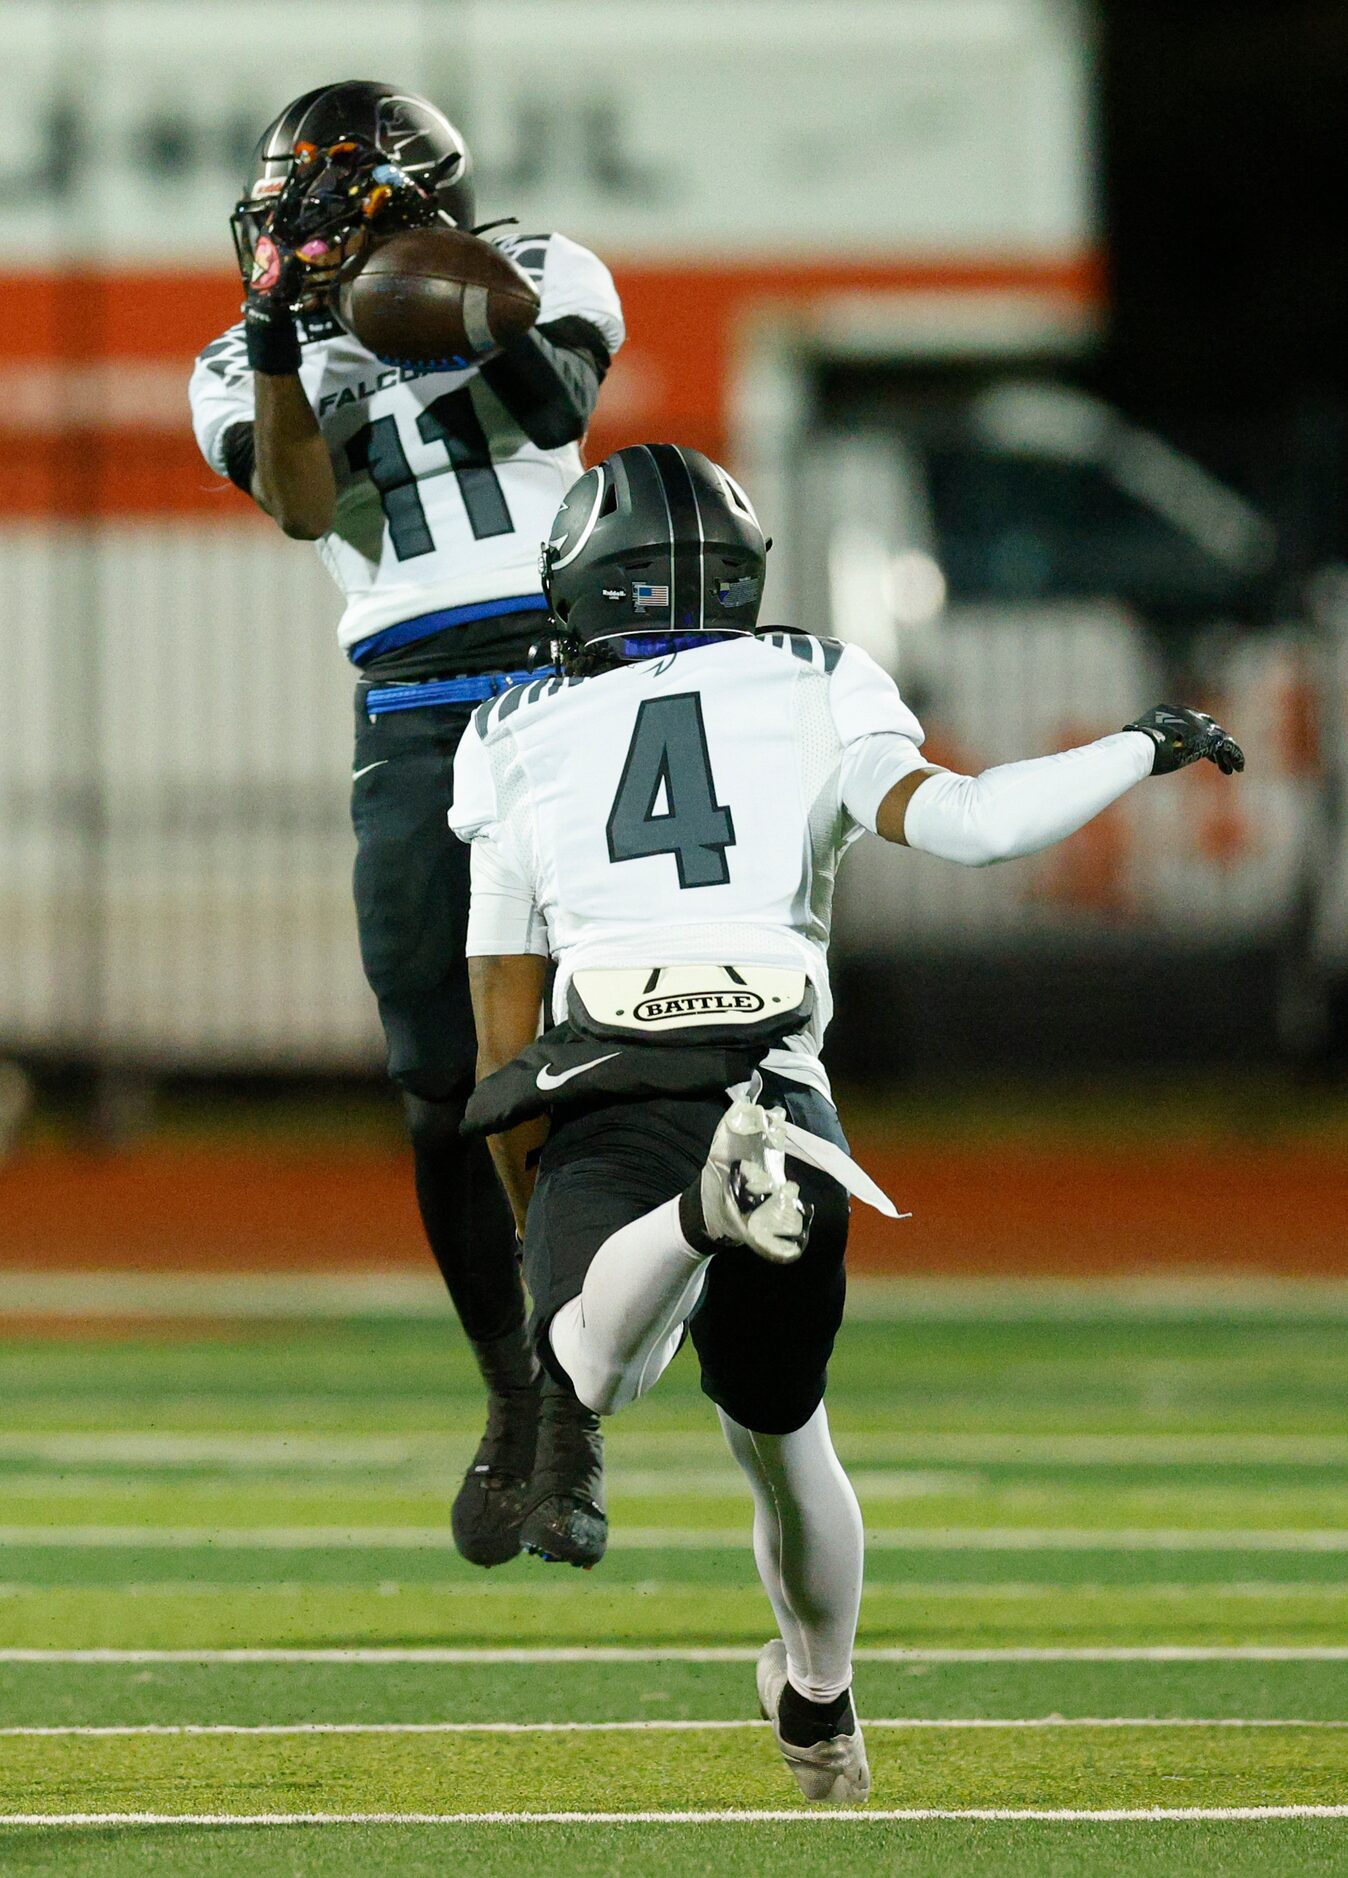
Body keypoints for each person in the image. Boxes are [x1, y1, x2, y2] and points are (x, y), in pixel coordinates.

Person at [449, 441, 1246, 1803]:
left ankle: (683, 1226)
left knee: (598, 1365)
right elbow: (981, 826)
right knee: (785, 1433)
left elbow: (498, 1019)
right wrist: (1141, 743)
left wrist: (535, 1214)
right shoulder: (815, 680)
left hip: (607, 1074)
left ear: (588, 583)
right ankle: (819, 1706)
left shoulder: (513, 729)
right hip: (775, 1082)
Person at [188, 80, 625, 1570]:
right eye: (283, 204)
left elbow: (559, 400)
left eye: (322, 199)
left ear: (405, 197)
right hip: (412, 714)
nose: (291, 234)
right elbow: (308, 508)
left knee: (591, 1042)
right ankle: (518, 1391)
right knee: (440, 1086)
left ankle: (580, 1385)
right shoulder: (240, 361)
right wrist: (277, 354)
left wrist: (446, 307)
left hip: (567, 690)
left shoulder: (544, 270)